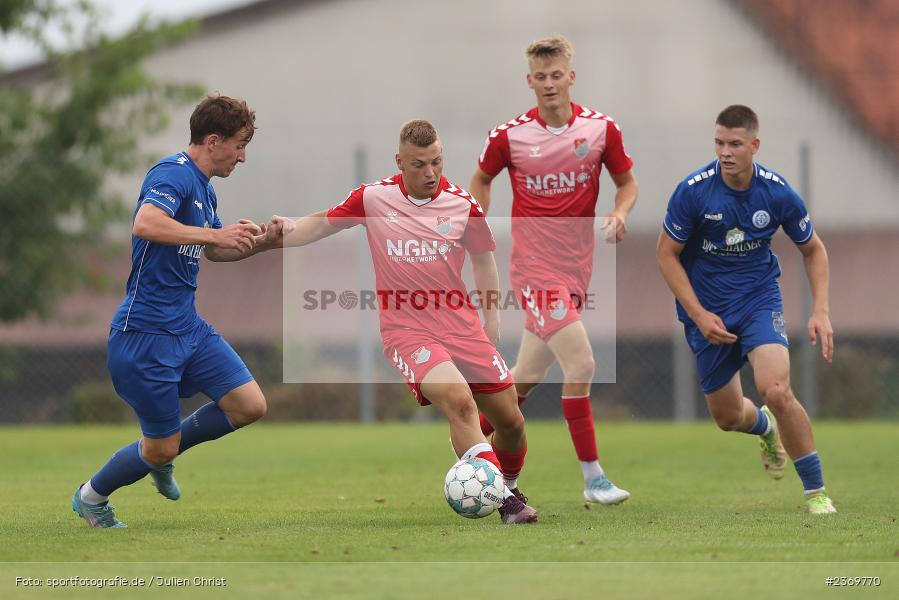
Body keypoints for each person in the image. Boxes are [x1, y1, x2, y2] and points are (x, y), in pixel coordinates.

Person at [281, 119, 538, 524]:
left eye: (437, 162)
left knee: (511, 420)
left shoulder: (461, 203)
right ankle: (506, 502)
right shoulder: (374, 198)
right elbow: (322, 223)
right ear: (399, 161)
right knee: (460, 403)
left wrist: (491, 317)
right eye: (419, 165)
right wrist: (274, 235)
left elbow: (484, 258)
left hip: (462, 326)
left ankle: (509, 483)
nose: (431, 173)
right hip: (407, 331)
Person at [72, 95, 291, 528]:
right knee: (159, 447)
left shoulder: (205, 191)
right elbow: (146, 224)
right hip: (146, 335)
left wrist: (260, 241)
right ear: (213, 141)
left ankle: (166, 451)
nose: (243, 157)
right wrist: (214, 234)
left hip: (187, 327)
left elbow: (213, 252)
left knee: (249, 405)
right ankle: (91, 496)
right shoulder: (173, 174)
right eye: (239, 145)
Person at [470, 35, 638, 505]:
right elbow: (481, 178)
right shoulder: (510, 136)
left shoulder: (601, 130)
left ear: (570, 76)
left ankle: (472, 451)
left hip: (576, 270)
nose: (548, 84)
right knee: (582, 362)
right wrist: (477, 219)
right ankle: (593, 477)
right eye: (540, 77)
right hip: (534, 269)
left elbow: (627, 183)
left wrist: (621, 212)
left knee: (524, 376)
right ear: (529, 81)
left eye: (556, 75)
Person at [656, 104, 836, 515]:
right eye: (719, 142)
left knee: (776, 388)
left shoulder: (776, 193)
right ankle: (765, 427)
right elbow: (666, 255)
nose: (725, 152)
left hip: (758, 301)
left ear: (754, 145)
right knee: (727, 416)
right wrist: (699, 314)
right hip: (707, 313)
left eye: (735, 144)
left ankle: (816, 492)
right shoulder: (693, 191)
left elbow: (814, 250)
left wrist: (820, 310)